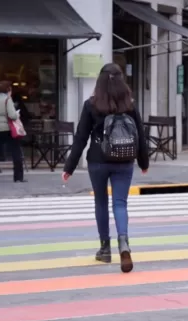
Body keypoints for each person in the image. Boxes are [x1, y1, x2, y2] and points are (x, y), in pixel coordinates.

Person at [62, 63, 149, 273]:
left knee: (101, 202)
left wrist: (69, 167)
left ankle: (104, 249)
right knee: (120, 204)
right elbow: (140, 135)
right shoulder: (130, 104)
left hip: (98, 161)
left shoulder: (91, 105)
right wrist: (143, 162)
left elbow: (81, 137)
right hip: (125, 160)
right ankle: (124, 244)